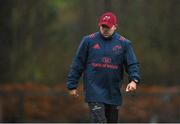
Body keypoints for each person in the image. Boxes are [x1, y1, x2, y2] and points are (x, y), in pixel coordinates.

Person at [66, 12, 141, 123]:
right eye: (103, 26)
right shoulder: (88, 41)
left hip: (113, 93)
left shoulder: (124, 44)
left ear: (115, 26)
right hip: (94, 92)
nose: (105, 29)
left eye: (108, 27)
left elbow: (132, 64)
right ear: (99, 25)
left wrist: (134, 80)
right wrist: (72, 85)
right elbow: (78, 63)